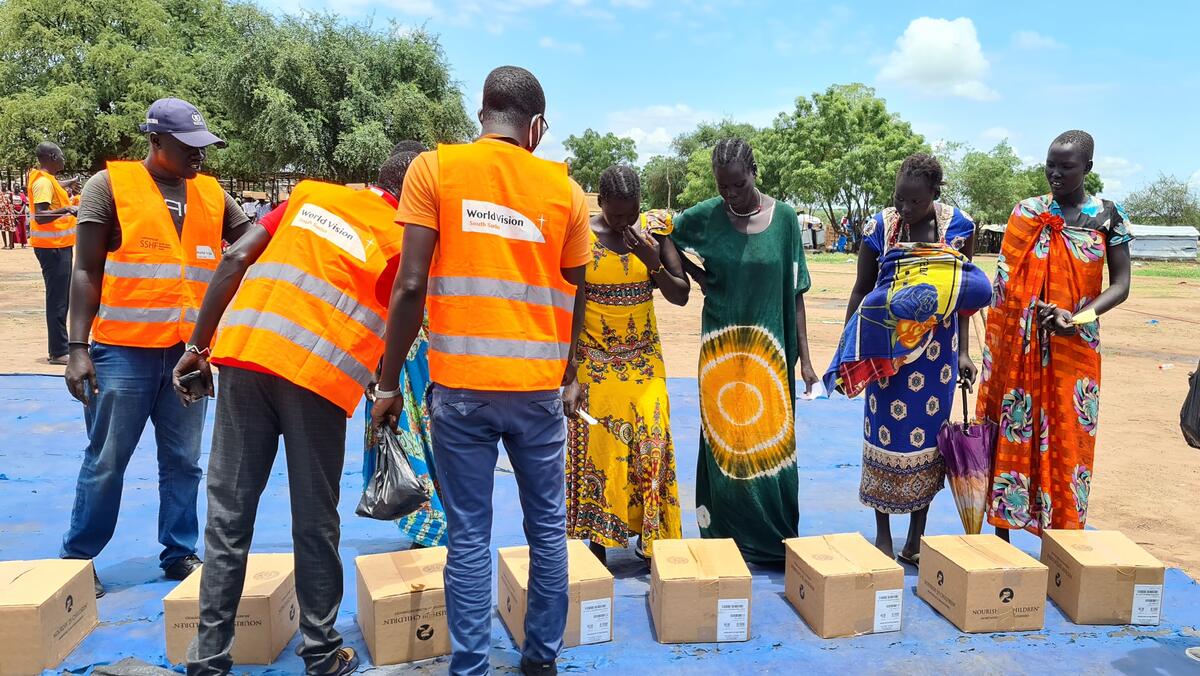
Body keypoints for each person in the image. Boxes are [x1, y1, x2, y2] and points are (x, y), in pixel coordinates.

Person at [370, 65, 590, 676]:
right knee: (547, 531)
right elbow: (578, 290)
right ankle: (540, 659)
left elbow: (411, 285)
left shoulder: (434, 170)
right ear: (536, 127)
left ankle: (469, 667)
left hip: (461, 390)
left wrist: (388, 385)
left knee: (468, 536)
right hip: (539, 393)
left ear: (481, 114)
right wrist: (569, 372)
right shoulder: (565, 191)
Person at [175, 154, 415, 676]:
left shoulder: (308, 196)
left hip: (244, 357)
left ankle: (208, 658)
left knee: (228, 517)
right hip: (317, 379)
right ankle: (322, 654)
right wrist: (387, 386)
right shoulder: (403, 239)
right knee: (314, 520)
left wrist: (198, 345)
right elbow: (409, 306)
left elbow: (235, 258)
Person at [62, 98, 250, 598]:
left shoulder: (212, 195)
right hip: (122, 353)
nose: (199, 157)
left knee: (184, 460)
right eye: (188, 147)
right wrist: (76, 347)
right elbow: (85, 271)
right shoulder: (110, 188)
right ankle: (78, 559)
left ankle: (179, 551)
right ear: (155, 141)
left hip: (189, 355)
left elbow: (255, 240)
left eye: (204, 147)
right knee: (106, 459)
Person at [824, 154, 990, 563]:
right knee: (883, 434)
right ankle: (882, 536)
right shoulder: (880, 227)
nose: (905, 209)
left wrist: (965, 352)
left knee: (929, 444)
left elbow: (963, 296)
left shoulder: (959, 227)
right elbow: (862, 289)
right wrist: (850, 348)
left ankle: (916, 538)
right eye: (900, 200)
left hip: (937, 356)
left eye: (915, 202)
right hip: (885, 352)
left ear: (935, 193)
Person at [665, 138, 818, 565]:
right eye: (723, 187)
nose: (730, 194)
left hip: (772, 353)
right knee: (726, 443)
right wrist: (697, 275)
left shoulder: (786, 219)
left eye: (738, 184)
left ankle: (773, 542)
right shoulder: (707, 217)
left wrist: (805, 359)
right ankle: (725, 537)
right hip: (721, 349)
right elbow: (665, 235)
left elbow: (797, 291)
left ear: (754, 172)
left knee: (772, 445)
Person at [977, 130, 1133, 538]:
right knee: (1013, 425)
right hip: (1019, 346)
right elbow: (1004, 286)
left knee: (1069, 436)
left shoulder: (1108, 217)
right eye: (1051, 165)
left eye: (1066, 167)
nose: (1056, 174)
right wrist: (1029, 316)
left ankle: (1062, 544)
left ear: (1088, 169)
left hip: (1074, 347)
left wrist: (1077, 317)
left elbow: (1120, 285)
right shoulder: (1026, 213)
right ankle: (1002, 539)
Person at [567, 165, 688, 565]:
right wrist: (569, 372)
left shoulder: (655, 230)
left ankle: (651, 538)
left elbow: (680, 295)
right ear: (599, 203)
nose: (623, 223)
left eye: (630, 213)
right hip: (594, 359)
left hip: (643, 361)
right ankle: (598, 541)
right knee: (600, 440)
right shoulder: (581, 235)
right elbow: (574, 305)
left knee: (652, 433)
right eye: (616, 215)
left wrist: (651, 260)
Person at [358, 144, 450, 550]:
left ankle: (430, 528)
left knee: (414, 431)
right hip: (412, 354)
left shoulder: (377, 222)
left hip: (392, 355)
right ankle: (436, 528)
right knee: (426, 435)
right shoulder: (410, 226)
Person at [28, 142, 77, 364]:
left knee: (61, 298)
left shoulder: (48, 180)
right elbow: (41, 216)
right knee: (57, 300)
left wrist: (71, 183)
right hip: (53, 248)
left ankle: (60, 347)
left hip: (59, 246)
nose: (64, 159)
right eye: (61, 155)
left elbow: (55, 186)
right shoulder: (43, 184)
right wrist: (67, 209)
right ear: (51, 156)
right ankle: (58, 351)